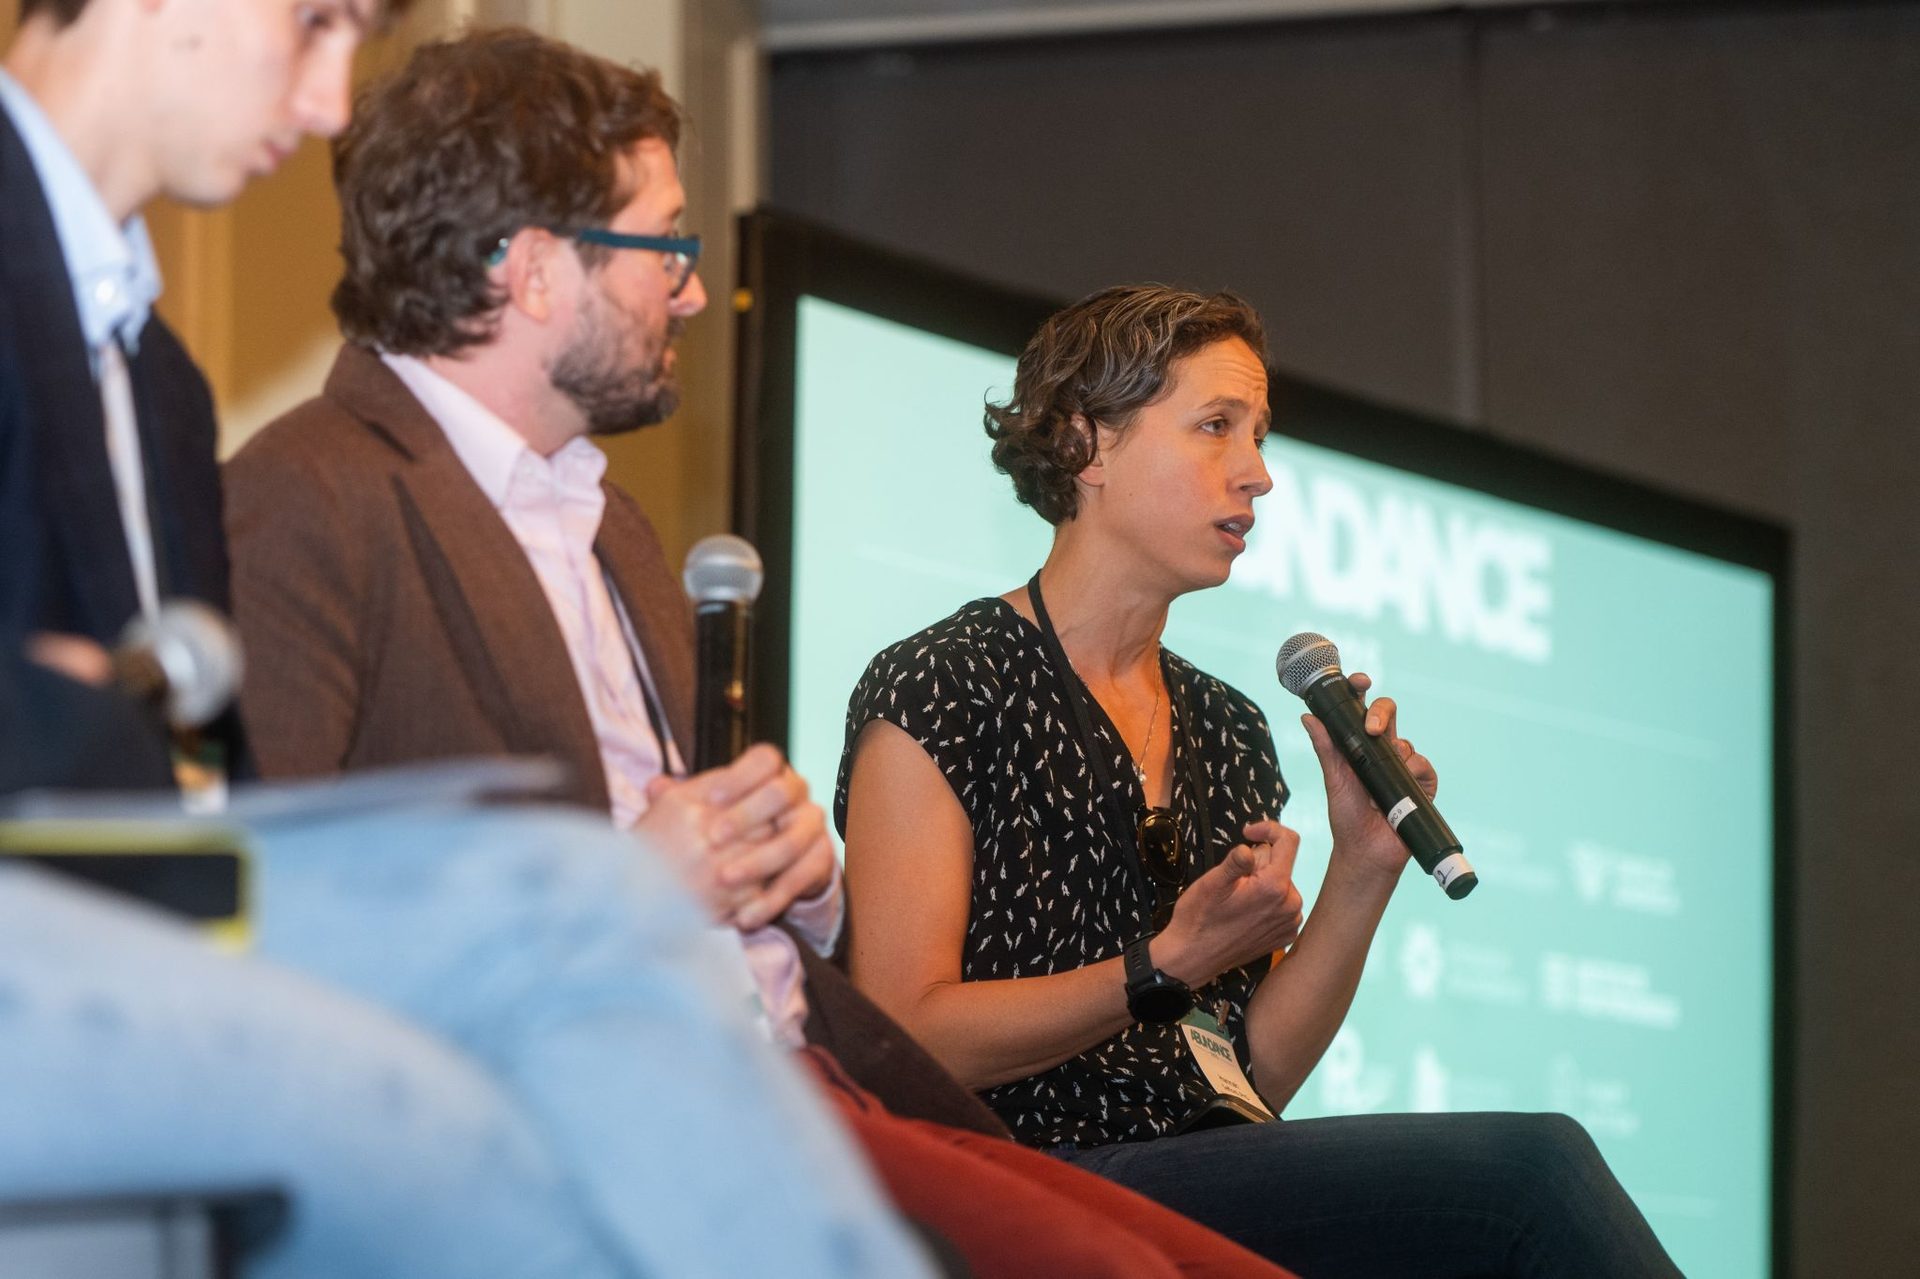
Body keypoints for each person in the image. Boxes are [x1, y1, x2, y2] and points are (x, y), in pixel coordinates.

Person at [225, 27, 1301, 1278]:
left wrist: (795, 877)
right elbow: (246, 924)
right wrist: (629, 884)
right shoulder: (312, 496)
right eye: (666, 247)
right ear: (533, 271)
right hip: (600, 1114)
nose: (690, 292)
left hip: (797, 1077)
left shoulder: (610, 525)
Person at [0, 3, 933, 1274]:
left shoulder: (156, 378)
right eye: (314, 22)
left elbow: (199, 796)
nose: (329, 102)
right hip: (85, 947)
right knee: (565, 894)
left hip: (140, 932)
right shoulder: (304, 487)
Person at [837, 283, 1684, 1277]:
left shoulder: (1228, 726)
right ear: (1085, 443)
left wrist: (1363, 866)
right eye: (1215, 428)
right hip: (1020, 1173)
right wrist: (1162, 965)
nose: (1259, 474)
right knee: (1530, 1174)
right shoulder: (944, 682)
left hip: (1187, 1173)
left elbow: (1251, 1075)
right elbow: (904, 1034)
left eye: (1260, 436)